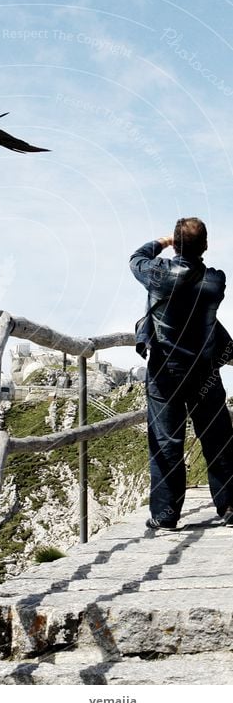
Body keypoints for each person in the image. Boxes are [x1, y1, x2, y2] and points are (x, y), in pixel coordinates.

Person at [130, 217, 233, 530]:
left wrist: (161, 242)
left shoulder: (158, 274)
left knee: (166, 443)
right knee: (218, 439)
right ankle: (230, 507)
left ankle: (165, 515)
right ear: (205, 246)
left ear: (175, 244)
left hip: (166, 374)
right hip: (205, 372)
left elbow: (136, 259)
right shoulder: (216, 281)